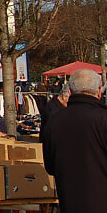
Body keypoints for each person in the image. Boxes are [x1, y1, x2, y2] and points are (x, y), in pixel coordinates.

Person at [43, 69, 107, 212]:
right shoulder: (103, 119)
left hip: (70, 202)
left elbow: (50, 166)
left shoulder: (54, 121)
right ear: (99, 91)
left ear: (70, 91)